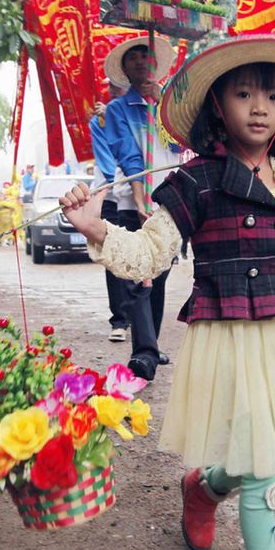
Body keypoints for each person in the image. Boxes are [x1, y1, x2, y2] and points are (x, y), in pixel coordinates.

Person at [59, 34, 275, 550]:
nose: (260, 107)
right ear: (218, 102)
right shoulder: (195, 180)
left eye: (274, 97)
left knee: (257, 451)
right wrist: (95, 226)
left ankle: (203, 488)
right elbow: (148, 254)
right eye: (244, 94)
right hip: (227, 333)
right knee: (266, 468)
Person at [102, 36, 180, 379]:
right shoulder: (118, 110)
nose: (139, 62)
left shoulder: (172, 105)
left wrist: (163, 103)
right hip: (133, 201)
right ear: (125, 70)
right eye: (132, 59)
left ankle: (153, 344)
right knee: (137, 275)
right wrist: (138, 194)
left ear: (155, 65)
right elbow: (127, 154)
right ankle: (143, 352)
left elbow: (181, 143)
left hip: (169, 199)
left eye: (144, 56)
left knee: (160, 274)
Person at [89, 82, 129, 343]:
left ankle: (141, 315)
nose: (115, 86)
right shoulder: (100, 119)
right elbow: (105, 162)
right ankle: (120, 320)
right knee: (113, 256)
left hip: (139, 197)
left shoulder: (142, 113)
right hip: (111, 196)